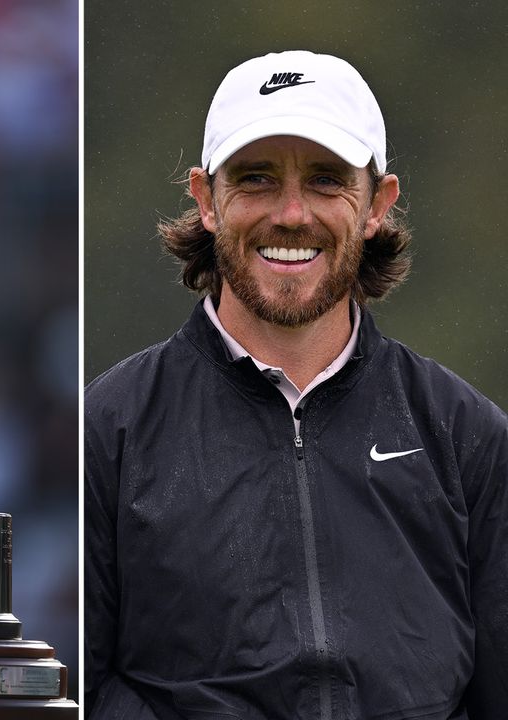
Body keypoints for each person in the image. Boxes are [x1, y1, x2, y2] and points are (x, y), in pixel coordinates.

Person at [84, 50, 508, 718]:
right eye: (254, 179)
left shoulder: (468, 437)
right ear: (206, 200)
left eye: (325, 180)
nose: (290, 214)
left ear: (377, 204)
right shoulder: (106, 433)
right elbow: (76, 691)